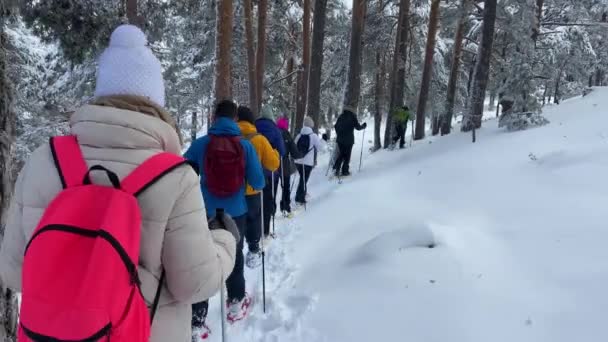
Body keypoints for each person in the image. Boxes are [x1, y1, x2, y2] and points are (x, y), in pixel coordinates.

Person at [0, 25, 237, 342]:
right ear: (157, 102)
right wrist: (224, 241)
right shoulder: (176, 177)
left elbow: (14, 272)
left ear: (102, 94)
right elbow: (194, 283)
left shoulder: (43, 161)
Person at [184, 100, 265, 339]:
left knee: (202, 259)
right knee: (234, 255)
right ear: (235, 118)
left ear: (215, 117)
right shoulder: (245, 146)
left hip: (205, 211)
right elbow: (258, 182)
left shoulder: (201, 144)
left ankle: (197, 319)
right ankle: (235, 302)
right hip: (236, 211)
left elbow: (183, 170)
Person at [236, 106, 279, 269]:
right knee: (254, 219)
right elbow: (273, 164)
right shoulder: (259, 139)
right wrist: (274, 152)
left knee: (235, 223)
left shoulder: (230, 137)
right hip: (253, 189)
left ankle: (235, 252)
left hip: (232, 191)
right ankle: (253, 250)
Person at [255, 106, 286, 237]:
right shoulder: (275, 130)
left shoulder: (253, 127)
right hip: (271, 171)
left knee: (256, 201)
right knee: (268, 200)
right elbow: (282, 151)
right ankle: (266, 230)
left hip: (254, 170)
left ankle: (255, 231)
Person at [294, 117, 325, 205]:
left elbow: (294, 146)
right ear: (311, 125)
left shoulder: (299, 135)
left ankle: (302, 193)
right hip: (307, 163)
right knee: (303, 180)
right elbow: (320, 148)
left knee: (302, 178)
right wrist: (323, 140)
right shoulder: (313, 136)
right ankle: (299, 198)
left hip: (298, 161)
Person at [276, 116, 301, 216]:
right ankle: (285, 206)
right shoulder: (286, 134)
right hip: (284, 163)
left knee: (273, 187)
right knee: (285, 186)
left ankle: (271, 211)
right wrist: (300, 155)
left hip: (273, 162)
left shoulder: (274, 132)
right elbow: (294, 151)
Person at [333, 106, 367, 177]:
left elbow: (335, 126)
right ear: (351, 111)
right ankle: (345, 171)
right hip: (349, 140)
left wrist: (338, 133)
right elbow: (358, 127)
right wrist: (363, 126)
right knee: (347, 156)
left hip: (340, 140)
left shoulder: (341, 116)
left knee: (342, 154)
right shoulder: (352, 117)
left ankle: (336, 168)